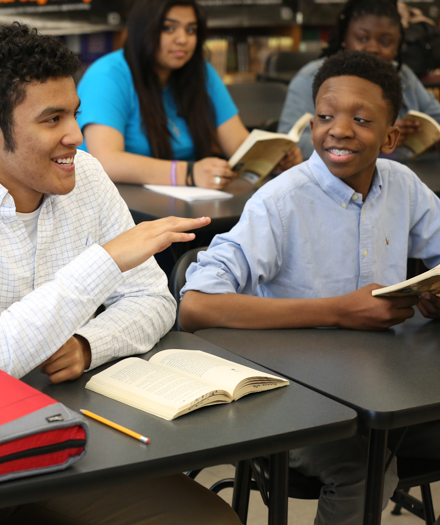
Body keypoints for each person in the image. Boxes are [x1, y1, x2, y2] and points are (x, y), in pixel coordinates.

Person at [0, 23, 242, 525]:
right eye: (52, 119)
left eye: (73, 112)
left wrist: (88, 342)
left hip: (58, 421)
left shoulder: (85, 174)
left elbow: (155, 302)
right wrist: (105, 261)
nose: (75, 134)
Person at [179, 50, 440, 525]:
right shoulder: (281, 202)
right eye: (324, 116)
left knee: (395, 440)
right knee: (360, 469)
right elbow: (196, 306)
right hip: (291, 396)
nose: (338, 129)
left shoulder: (402, 185)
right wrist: (339, 311)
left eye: (360, 119)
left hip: (383, 385)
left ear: (391, 136)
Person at [77, 0, 302, 190]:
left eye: (191, 30)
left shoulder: (201, 73)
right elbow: (106, 160)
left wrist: (273, 158)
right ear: (143, 30)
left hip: (183, 202)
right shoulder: (108, 75)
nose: (182, 39)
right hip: (118, 202)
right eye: (168, 28)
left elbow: (238, 145)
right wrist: (189, 174)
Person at [278, 0, 440, 160]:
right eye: (362, 38)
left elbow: (436, 116)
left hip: (401, 175)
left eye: (385, 42)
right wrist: (378, 138)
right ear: (344, 37)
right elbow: (288, 145)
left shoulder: (403, 76)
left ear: (398, 46)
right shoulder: (312, 78)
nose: (373, 48)